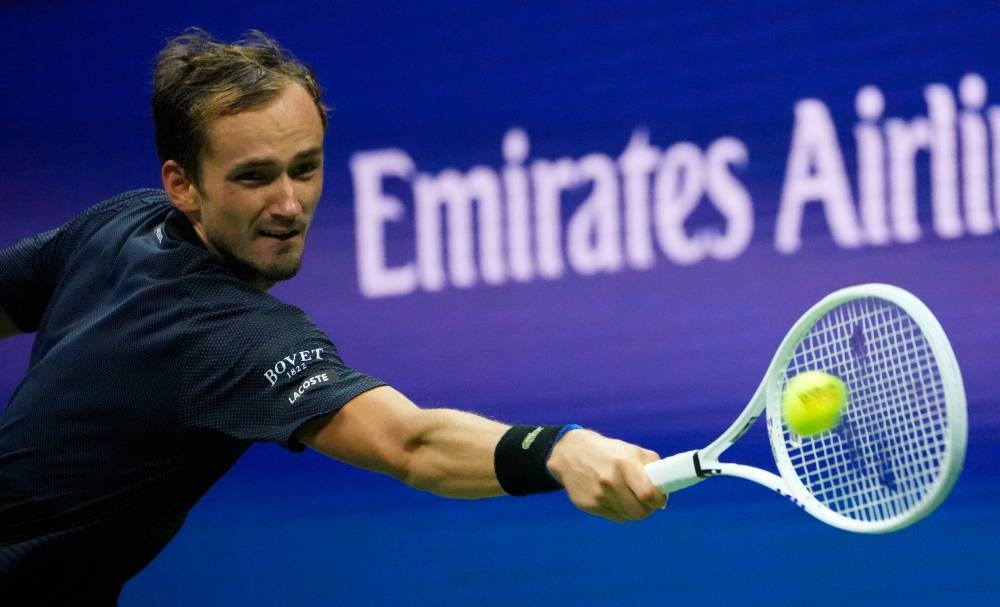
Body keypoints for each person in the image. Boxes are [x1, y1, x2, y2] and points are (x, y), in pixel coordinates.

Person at [0, 28, 666, 603]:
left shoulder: (122, 223)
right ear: (183, 185)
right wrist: (558, 449)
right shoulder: (231, 333)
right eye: (255, 177)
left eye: (305, 167)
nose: (290, 204)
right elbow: (412, 444)